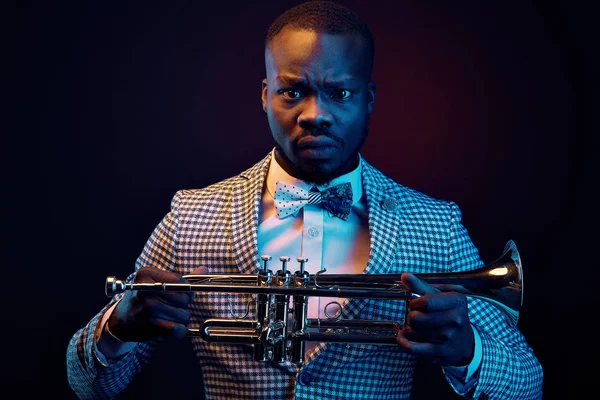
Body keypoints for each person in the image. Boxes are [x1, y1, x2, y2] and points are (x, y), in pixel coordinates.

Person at [66, 1, 543, 399]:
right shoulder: (193, 215)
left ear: (368, 99)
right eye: (293, 91)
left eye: (340, 92)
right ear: (264, 95)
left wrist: (468, 351)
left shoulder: (432, 223)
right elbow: (87, 384)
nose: (315, 115)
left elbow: (528, 383)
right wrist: (119, 328)